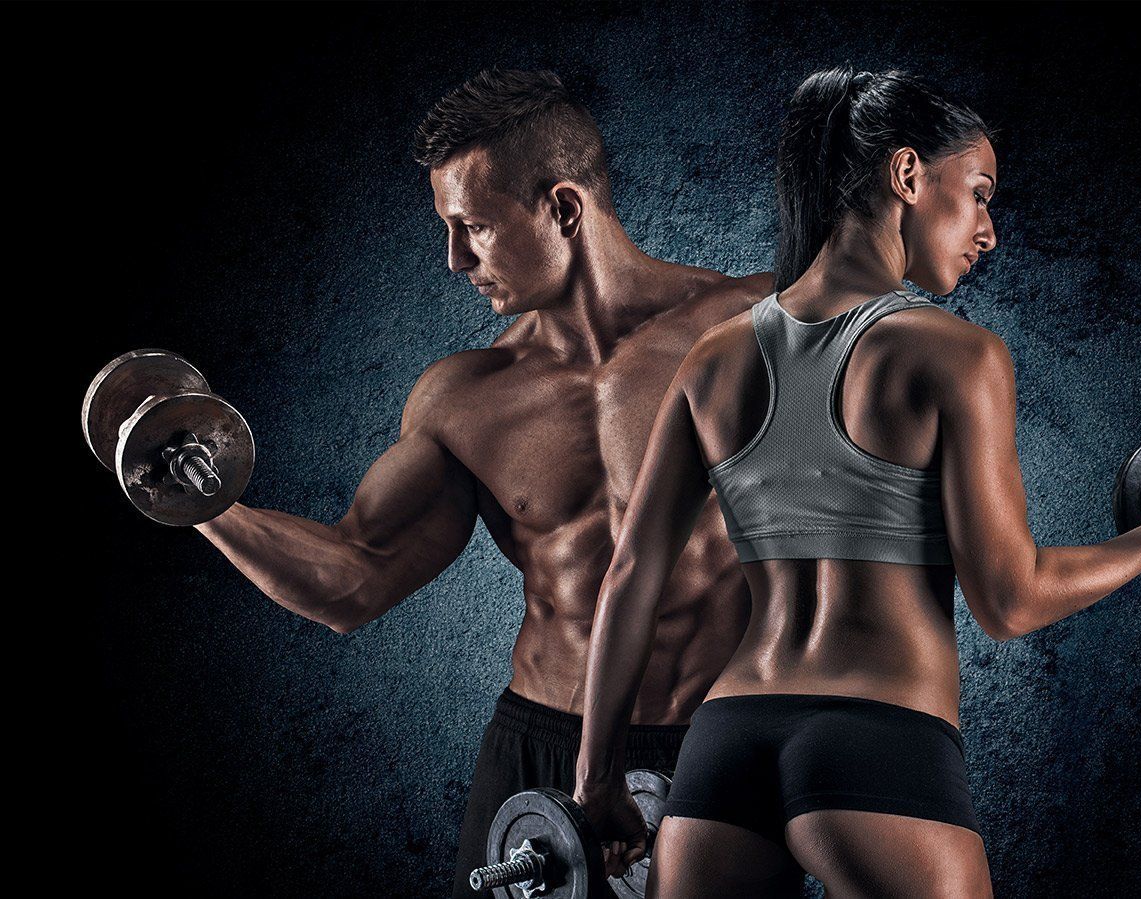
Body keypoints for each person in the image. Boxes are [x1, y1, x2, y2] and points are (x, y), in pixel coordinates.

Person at [572, 66, 1141, 897]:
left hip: (724, 748)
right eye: (978, 193)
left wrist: (597, 780)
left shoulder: (712, 358)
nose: (988, 230)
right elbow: (1010, 600)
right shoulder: (956, 355)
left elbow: (630, 575)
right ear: (907, 175)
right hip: (879, 743)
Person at [184, 69, 770, 896]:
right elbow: (355, 578)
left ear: (563, 208)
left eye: (474, 228)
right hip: (541, 748)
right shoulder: (466, 398)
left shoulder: (755, 328)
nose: (455, 259)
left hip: (721, 744)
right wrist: (206, 505)